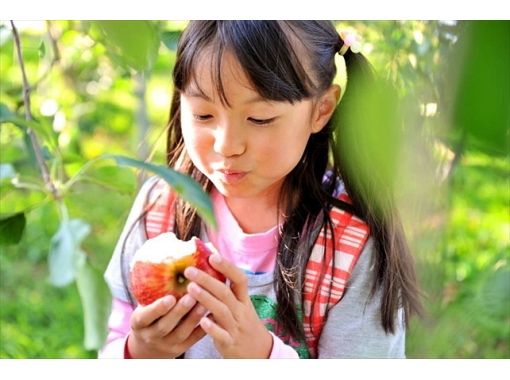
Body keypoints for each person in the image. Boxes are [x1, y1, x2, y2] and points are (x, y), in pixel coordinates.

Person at [99, 20, 423, 359]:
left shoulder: (350, 246)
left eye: (260, 119)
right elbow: (113, 344)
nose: (227, 145)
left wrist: (262, 357)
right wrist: (139, 353)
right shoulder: (160, 209)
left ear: (321, 109)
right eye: (203, 114)